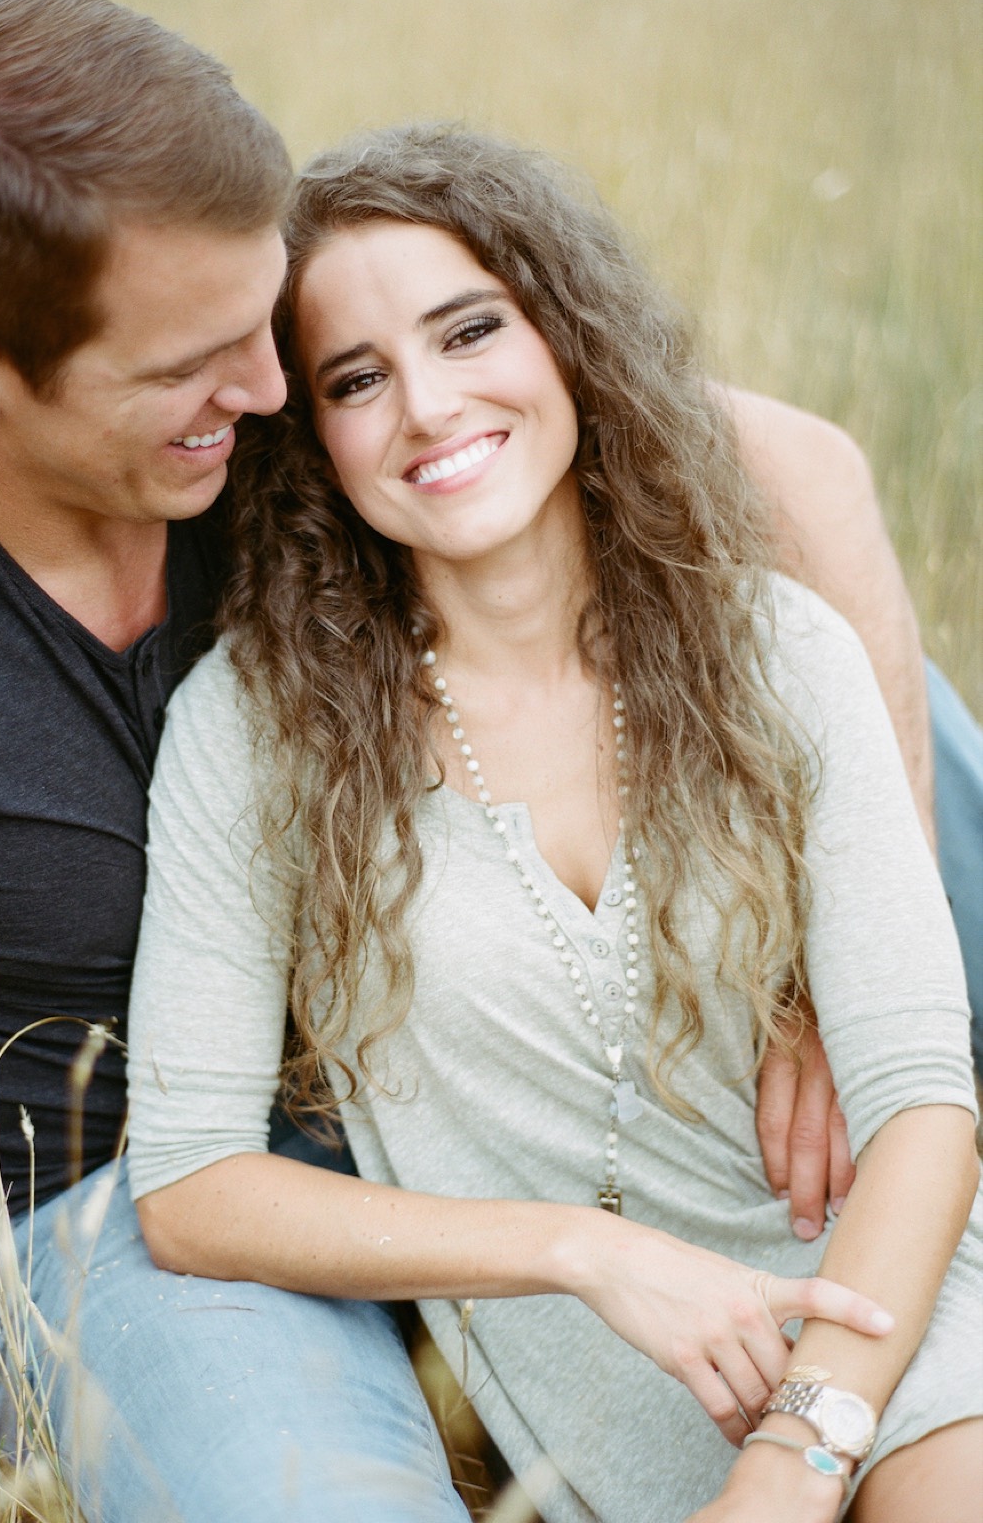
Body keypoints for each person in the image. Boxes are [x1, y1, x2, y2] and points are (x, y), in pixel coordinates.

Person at [0, 0, 977, 1523]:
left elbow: (796, 468)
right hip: (134, 1198)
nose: (270, 392)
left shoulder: (293, 418)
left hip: (547, 1053)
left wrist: (815, 982)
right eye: (199, 363)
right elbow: (194, 1178)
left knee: (871, 717)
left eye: (265, 327)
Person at [126, 124, 983, 1523]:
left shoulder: (777, 649)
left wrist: (800, 1453)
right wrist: (581, 1253)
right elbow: (194, 1186)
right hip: (606, 1406)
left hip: (889, 1335)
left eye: (471, 332)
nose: (427, 407)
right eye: (357, 378)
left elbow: (925, 1112)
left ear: (566, 335)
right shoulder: (255, 729)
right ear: (311, 433)